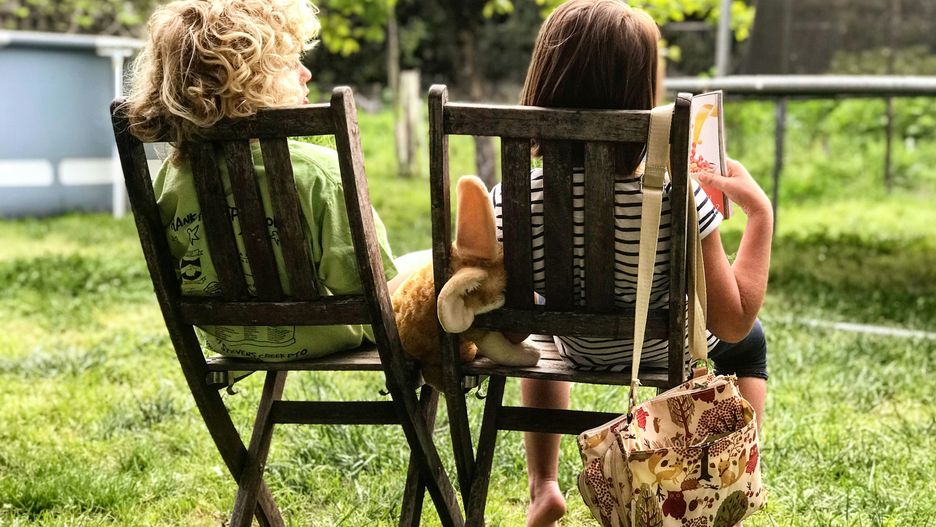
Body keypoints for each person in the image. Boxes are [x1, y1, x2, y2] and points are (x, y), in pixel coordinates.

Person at [488, 2, 773, 525]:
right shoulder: (678, 196)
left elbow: (510, 315)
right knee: (750, 342)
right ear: (642, 93)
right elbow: (732, 320)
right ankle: (729, 482)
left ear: (542, 85)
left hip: (576, 346)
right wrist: (760, 214)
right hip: (662, 353)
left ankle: (544, 485)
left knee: (544, 326)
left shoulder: (511, 197)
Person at [123, 0, 409, 361]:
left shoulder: (172, 177)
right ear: (250, 83)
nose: (306, 74)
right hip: (325, 333)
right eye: (290, 62)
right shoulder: (320, 173)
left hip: (231, 337)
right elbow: (368, 289)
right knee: (424, 266)